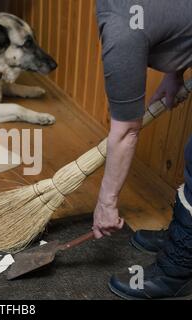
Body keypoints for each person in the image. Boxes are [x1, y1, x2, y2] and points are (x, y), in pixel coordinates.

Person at [94, 0, 192, 299]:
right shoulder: (122, 14)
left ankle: (179, 268)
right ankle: (185, 234)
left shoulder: (121, 26)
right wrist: (175, 71)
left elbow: (125, 132)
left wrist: (106, 204)